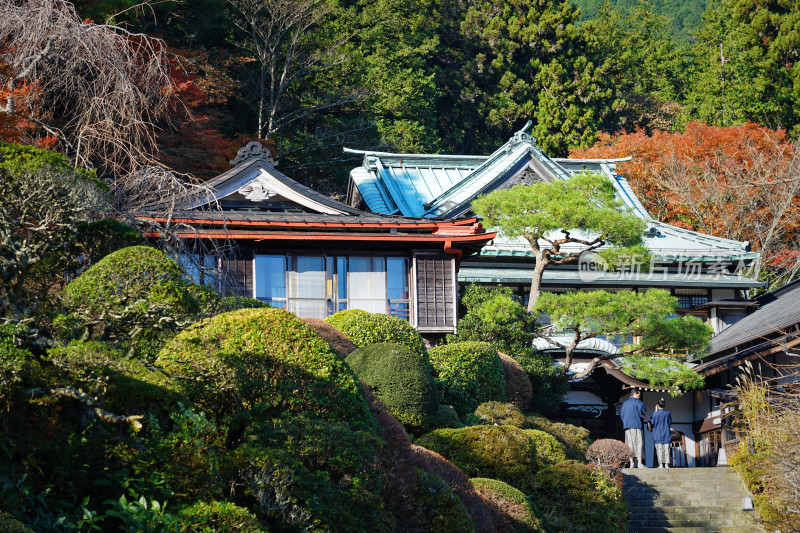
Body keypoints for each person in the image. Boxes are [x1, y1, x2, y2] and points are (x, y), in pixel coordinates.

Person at [620, 389, 647, 468]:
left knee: (629, 444)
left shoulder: (624, 403)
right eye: (639, 395)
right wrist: (644, 415)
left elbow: (622, 415)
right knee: (639, 443)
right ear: (635, 394)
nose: (639, 396)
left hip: (627, 426)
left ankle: (631, 463)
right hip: (636, 425)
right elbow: (643, 408)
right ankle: (639, 463)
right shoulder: (637, 401)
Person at [650, 398, 673, 469]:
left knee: (659, 450)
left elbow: (652, 423)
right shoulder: (668, 413)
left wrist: (655, 411)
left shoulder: (655, 414)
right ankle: (666, 464)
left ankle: (660, 464)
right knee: (667, 449)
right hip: (666, 433)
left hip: (657, 434)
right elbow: (669, 423)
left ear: (657, 405)